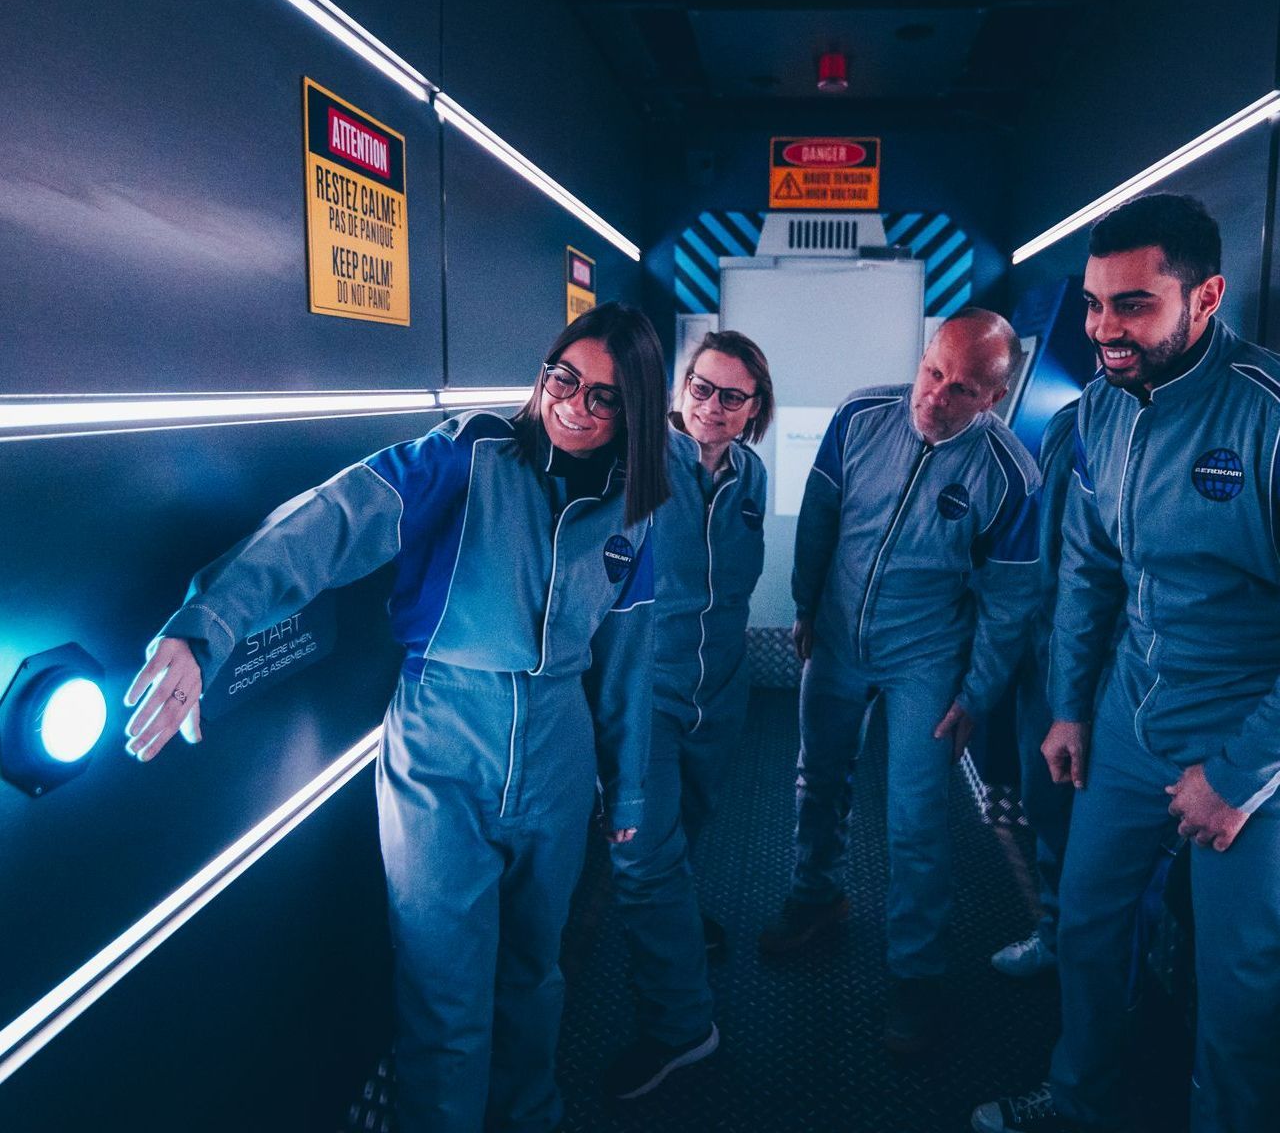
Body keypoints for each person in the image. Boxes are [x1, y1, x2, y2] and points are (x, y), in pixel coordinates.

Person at [122, 303, 671, 1133]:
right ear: (545, 371)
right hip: (442, 743)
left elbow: (629, 669)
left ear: (632, 413)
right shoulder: (467, 454)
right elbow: (329, 522)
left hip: (559, 744)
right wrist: (211, 626)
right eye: (565, 377)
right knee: (445, 995)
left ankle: (530, 1116)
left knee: (534, 973)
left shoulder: (637, 510)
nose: (574, 405)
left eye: (604, 398)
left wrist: (627, 796)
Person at [973, 193, 1280, 1133]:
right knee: (1091, 929)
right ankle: (1080, 1104)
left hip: (1249, 747)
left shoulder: (1267, 417)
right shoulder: (1101, 409)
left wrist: (1233, 776)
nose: (1104, 328)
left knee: (1239, 994)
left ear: (1207, 296)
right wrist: (1070, 709)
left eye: (1133, 304)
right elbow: (1092, 574)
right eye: (1096, 303)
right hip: (1128, 718)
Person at [758, 308, 1040, 1054]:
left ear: (993, 399)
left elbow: (1009, 603)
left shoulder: (1009, 474)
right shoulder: (860, 416)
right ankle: (816, 897)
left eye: (962, 389)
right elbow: (819, 517)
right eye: (932, 371)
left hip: (927, 659)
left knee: (917, 822)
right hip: (840, 639)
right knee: (818, 777)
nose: (935, 396)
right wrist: (807, 606)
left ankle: (917, 974)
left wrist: (976, 694)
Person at [605, 330, 774, 1099]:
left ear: (753, 410)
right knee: (642, 854)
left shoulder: (752, 475)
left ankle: (680, 924)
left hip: (723, 688)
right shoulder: (638, 459)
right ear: (681, 389)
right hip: (649, 688)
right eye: (700, 388)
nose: (711, 407)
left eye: (730, 396)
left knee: (688, 828)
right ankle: (683, 1027)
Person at [990, 399, 1079, 978]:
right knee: (1048, 802)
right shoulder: (1070, 422)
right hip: (1050, 650)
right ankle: (1054, 933)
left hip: (1132, 664)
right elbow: (1045, 548)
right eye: (1094, 307)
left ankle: (1100, 961)